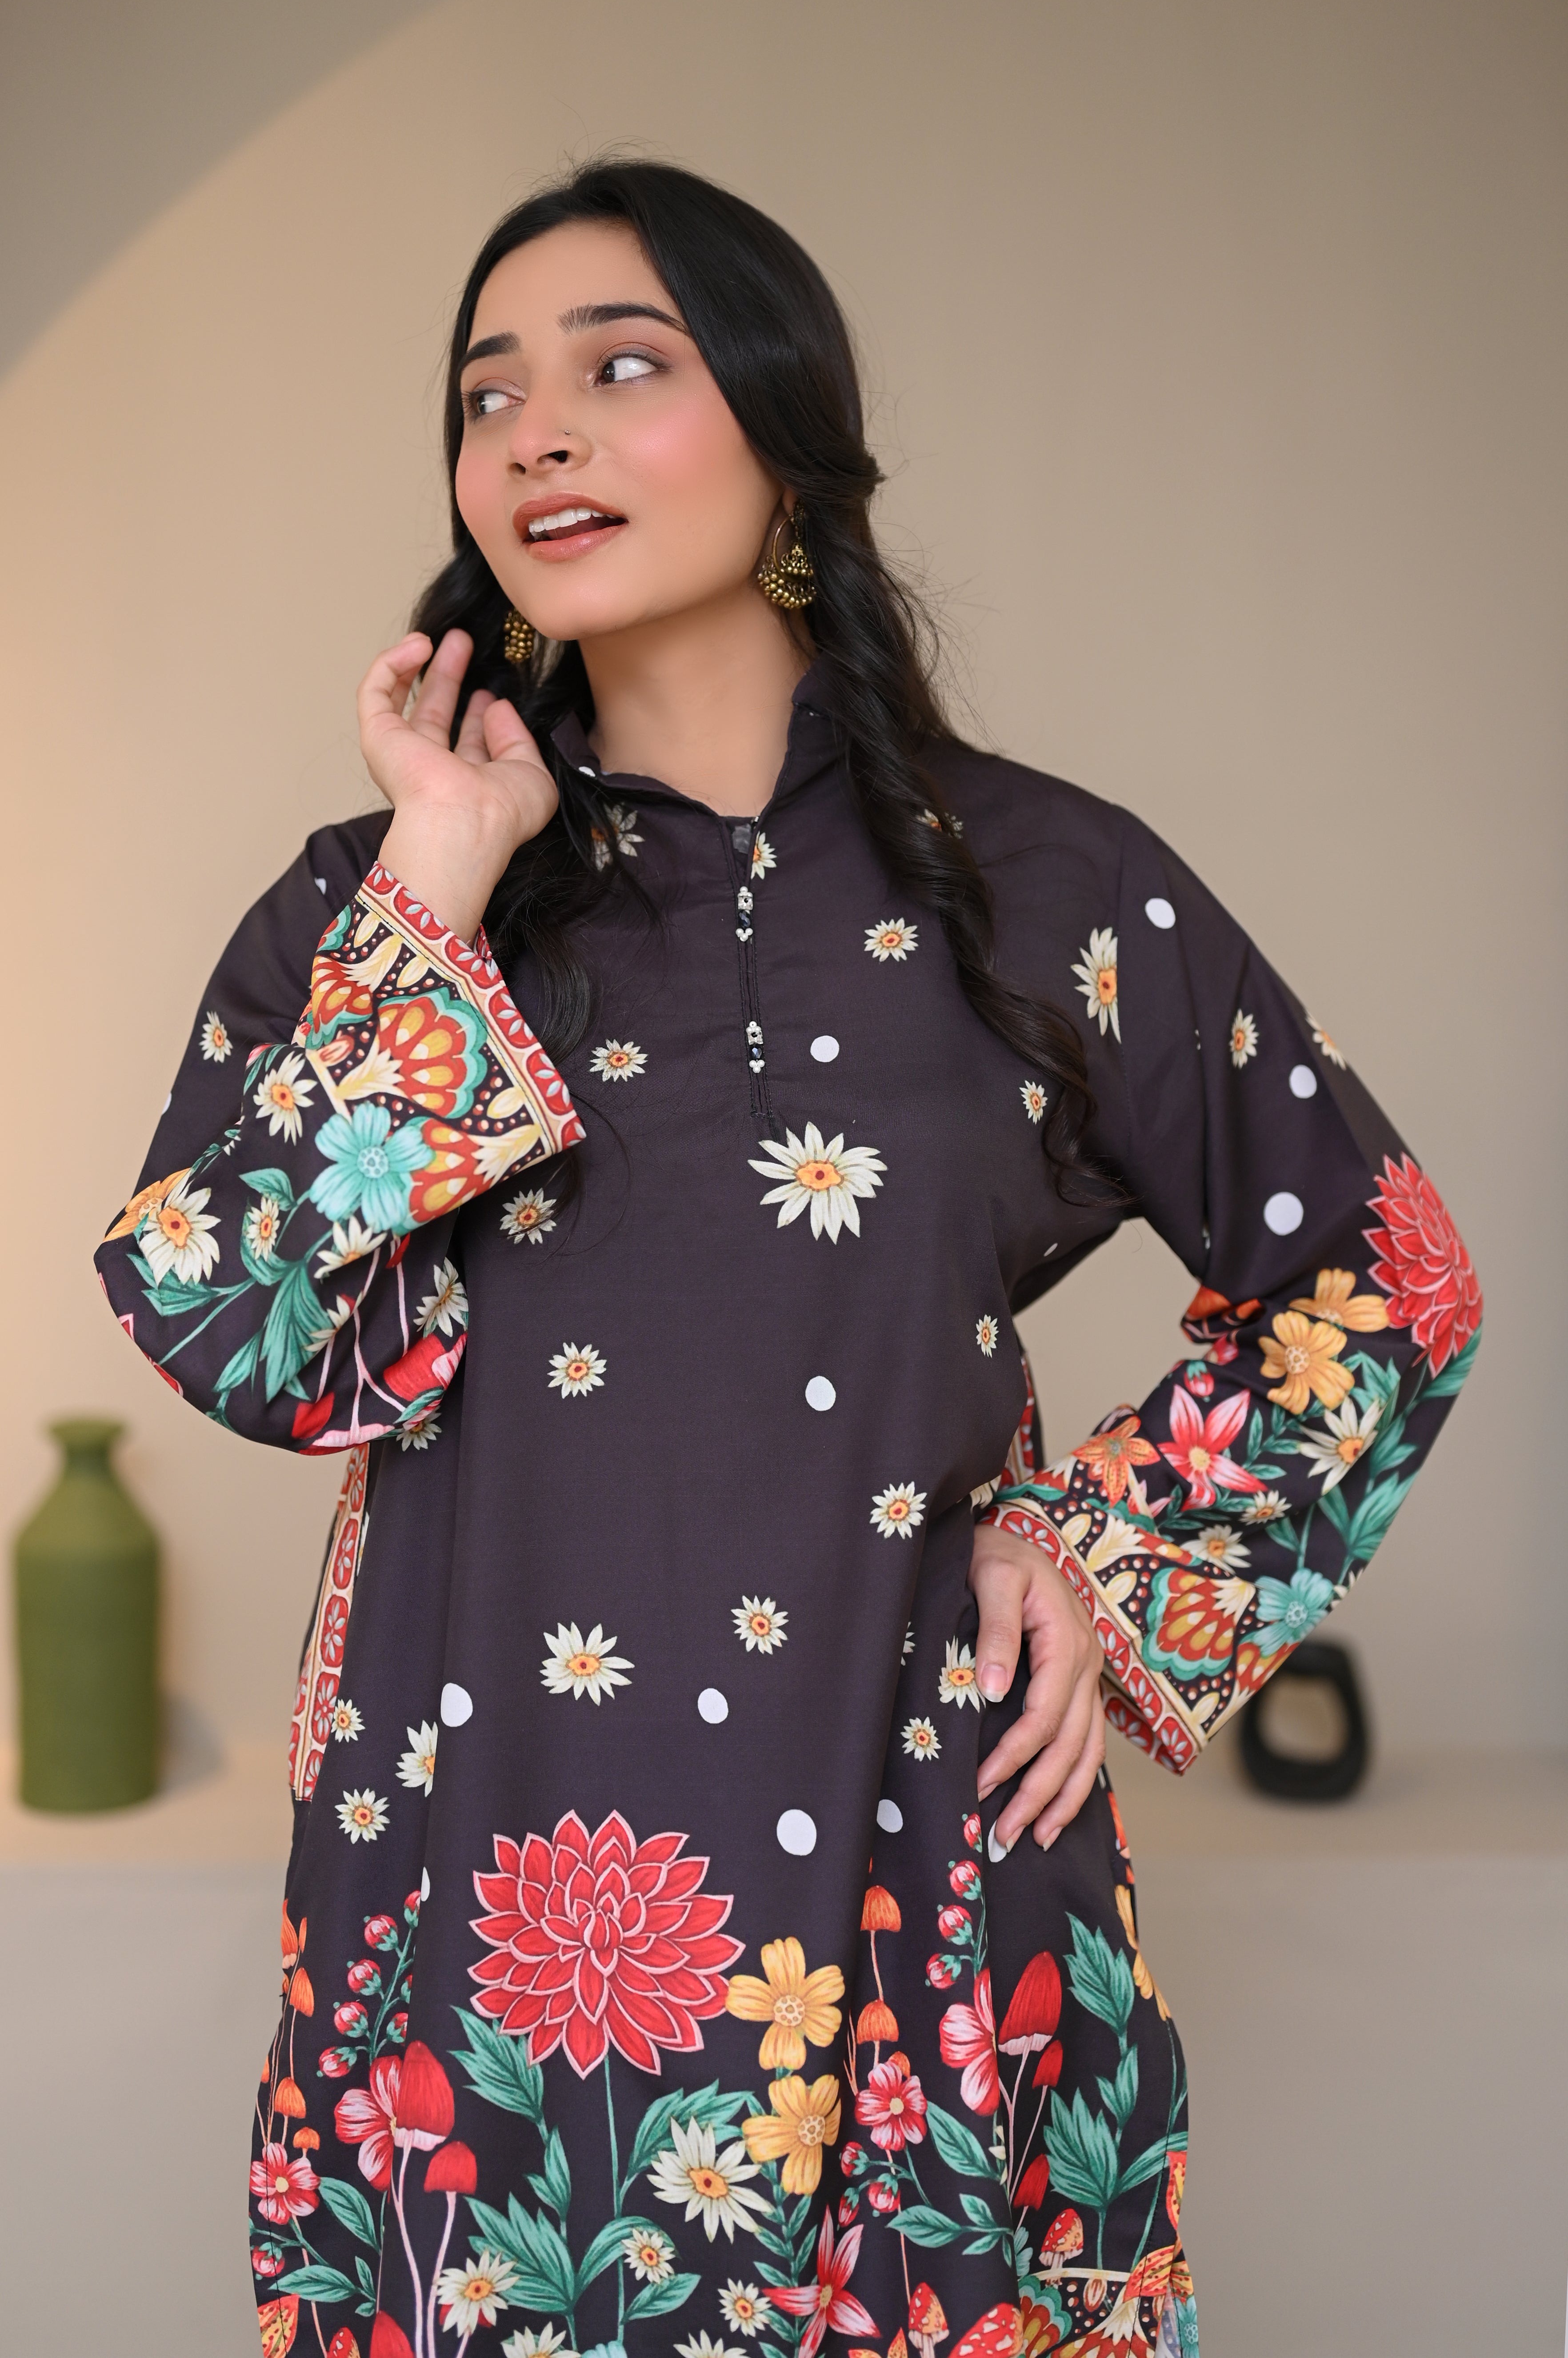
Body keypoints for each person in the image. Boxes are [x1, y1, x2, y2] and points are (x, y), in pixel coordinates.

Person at [95, 160, 1480, 2358]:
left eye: (620, 368)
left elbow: (1383, 1274)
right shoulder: (386, 904)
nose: (536, 434)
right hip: (490, 1942)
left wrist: (1106, 1549)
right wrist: (442, 872)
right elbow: (219, 1318)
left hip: (922, 1900)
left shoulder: (1042, 882)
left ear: (785, 426)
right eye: (488, 395)